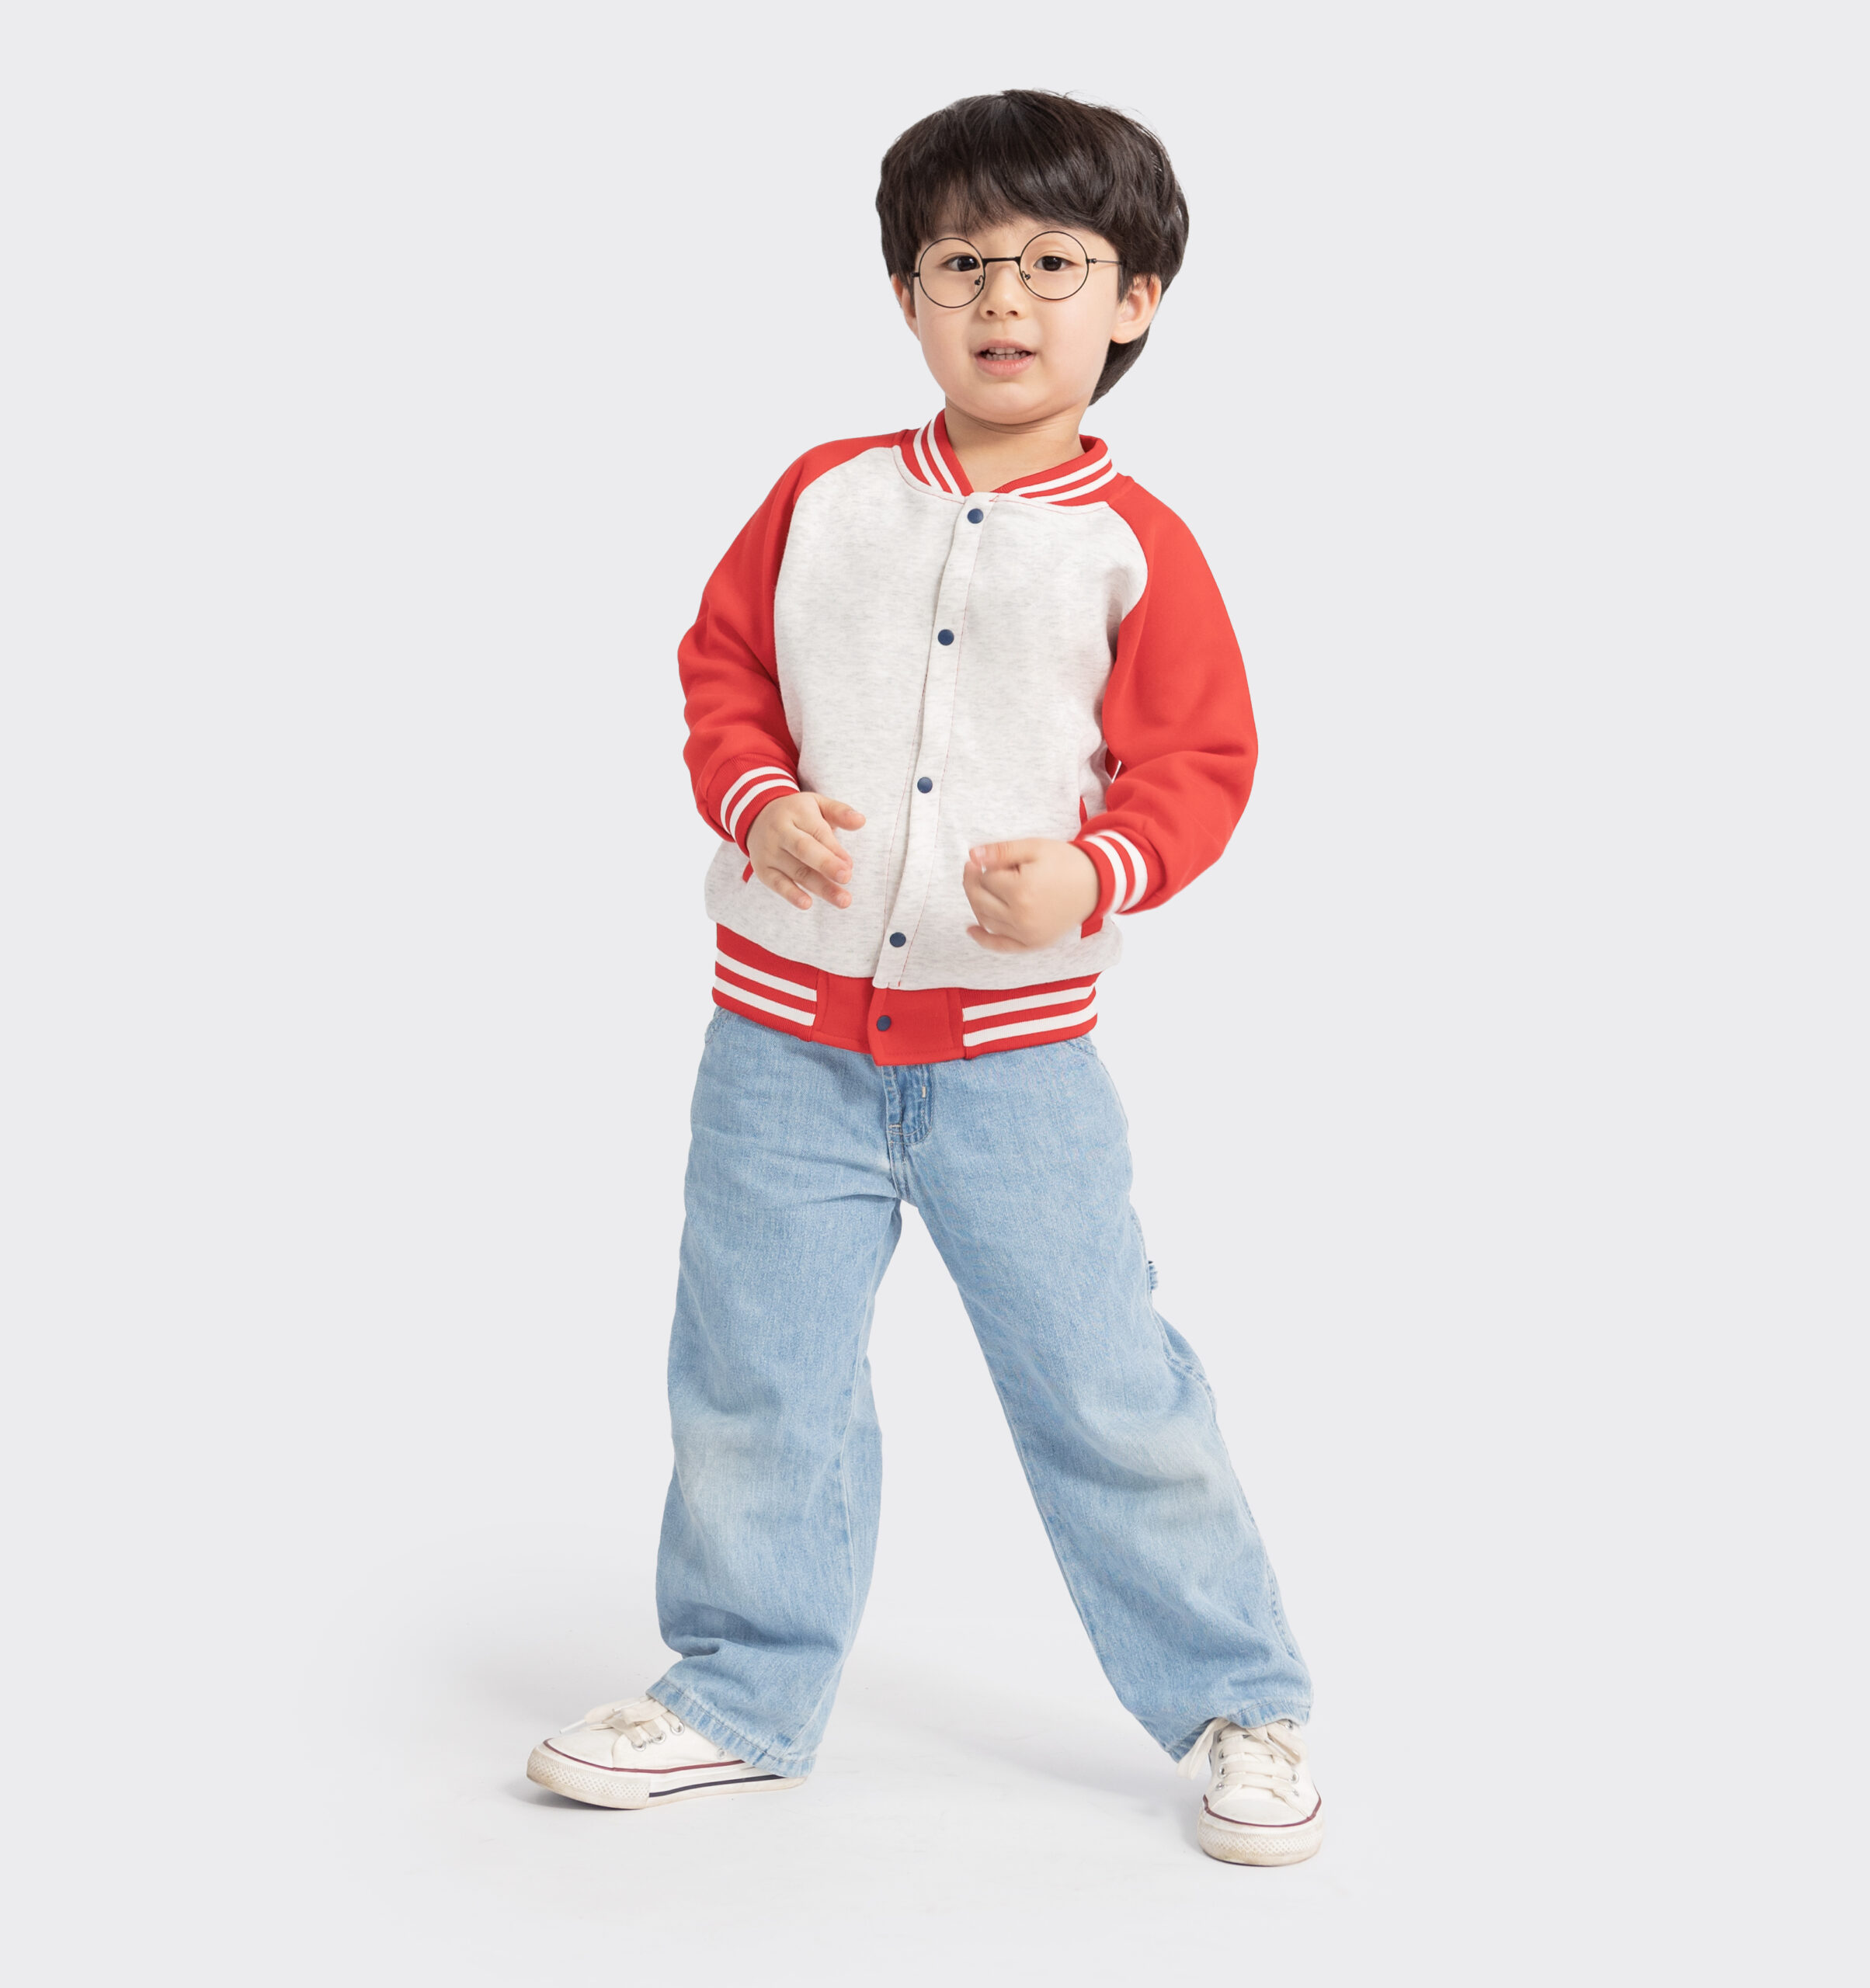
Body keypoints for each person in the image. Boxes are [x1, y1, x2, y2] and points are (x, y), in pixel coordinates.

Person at [526, 89, 1319, 1867]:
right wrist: (759, 802)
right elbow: (722, 670)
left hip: (1014, 1063)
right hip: (779, 1041)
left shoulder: (1133, 545)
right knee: (756, 1374)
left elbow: (1198, 765)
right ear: (905, 294)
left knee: (1104, 1383)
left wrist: (1092, 873)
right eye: (960, 262)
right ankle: (738, 1687)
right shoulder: (823, 497)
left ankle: (1239, 1696)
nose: (1002, 298)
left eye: (1052, 262)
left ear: (1135, 298)